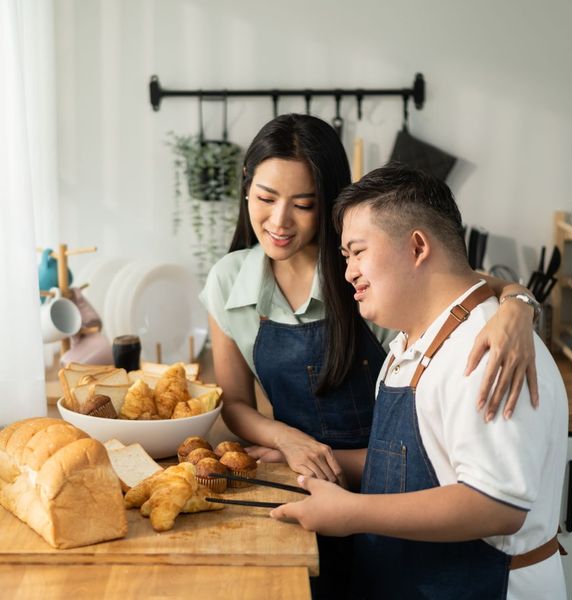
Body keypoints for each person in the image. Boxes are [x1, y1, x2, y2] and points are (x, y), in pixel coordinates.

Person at [200, 114, 541, 600]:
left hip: (398, 488)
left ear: (329, 204)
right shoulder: (227, 281)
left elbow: (461, 283)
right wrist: (291, 443)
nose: (279, 222)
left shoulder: (365, 271)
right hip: (302, 479)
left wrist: (519, 304)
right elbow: (234, 403)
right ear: (246, 190)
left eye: (303, 204)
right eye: (265, 198)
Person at [271, 164, 568, 600]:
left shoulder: (487, 349)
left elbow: (497, 506)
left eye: (357, 252)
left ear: (417, 246)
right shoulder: (417, 340)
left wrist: (353, 512)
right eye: (345, 257)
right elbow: (412, 466)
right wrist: (306, 455)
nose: (348, 272)